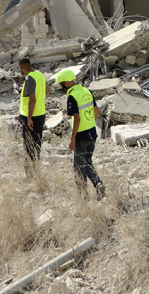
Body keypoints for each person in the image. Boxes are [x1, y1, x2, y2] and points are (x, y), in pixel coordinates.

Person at [56, 69, 105, 199]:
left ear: (65, 83)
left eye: (61, 84)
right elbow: (96, 110)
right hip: (92, 133)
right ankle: (98, 183)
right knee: (88, 162)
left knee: (79, 167)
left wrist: (72, 140)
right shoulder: (86, 91)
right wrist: (90, 123)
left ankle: (83, 196)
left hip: (81, 136)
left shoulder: (72, 97)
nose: (60, 86)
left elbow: (77, 119)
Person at [18, 58, 48, 167]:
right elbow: (47, 90)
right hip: (41, 113)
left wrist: (29, 118)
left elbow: (32, 99)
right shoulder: (39, 75)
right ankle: (36, 165)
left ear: (20, 67)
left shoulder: (29, 79)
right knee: (37, 142)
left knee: (28, 145)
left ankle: (30, 172)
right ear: (30, 65)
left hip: (30, 116)